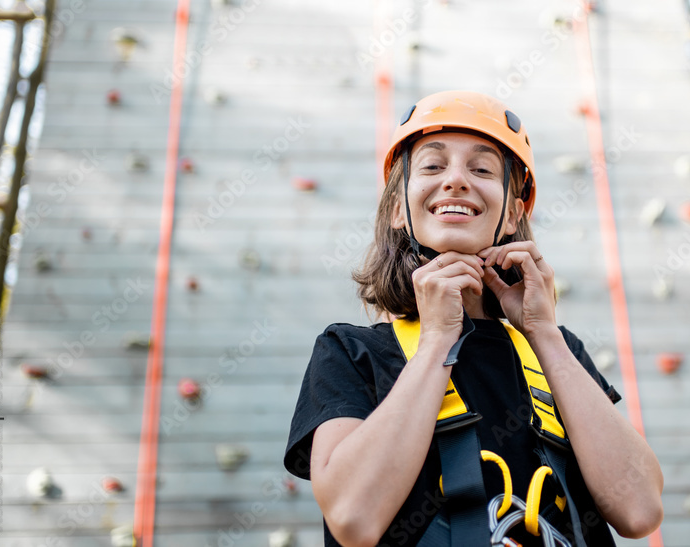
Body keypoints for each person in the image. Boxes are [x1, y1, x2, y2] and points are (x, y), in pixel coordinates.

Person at [284, 91, 663, 546]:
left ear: (512, 214)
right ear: (400, 208)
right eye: (432, 166)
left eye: (482, 169)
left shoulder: (556, 353)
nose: (456, 181)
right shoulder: (351, 352)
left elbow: (640, 511)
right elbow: (353, 519)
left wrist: (543, 332)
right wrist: (437, 341)